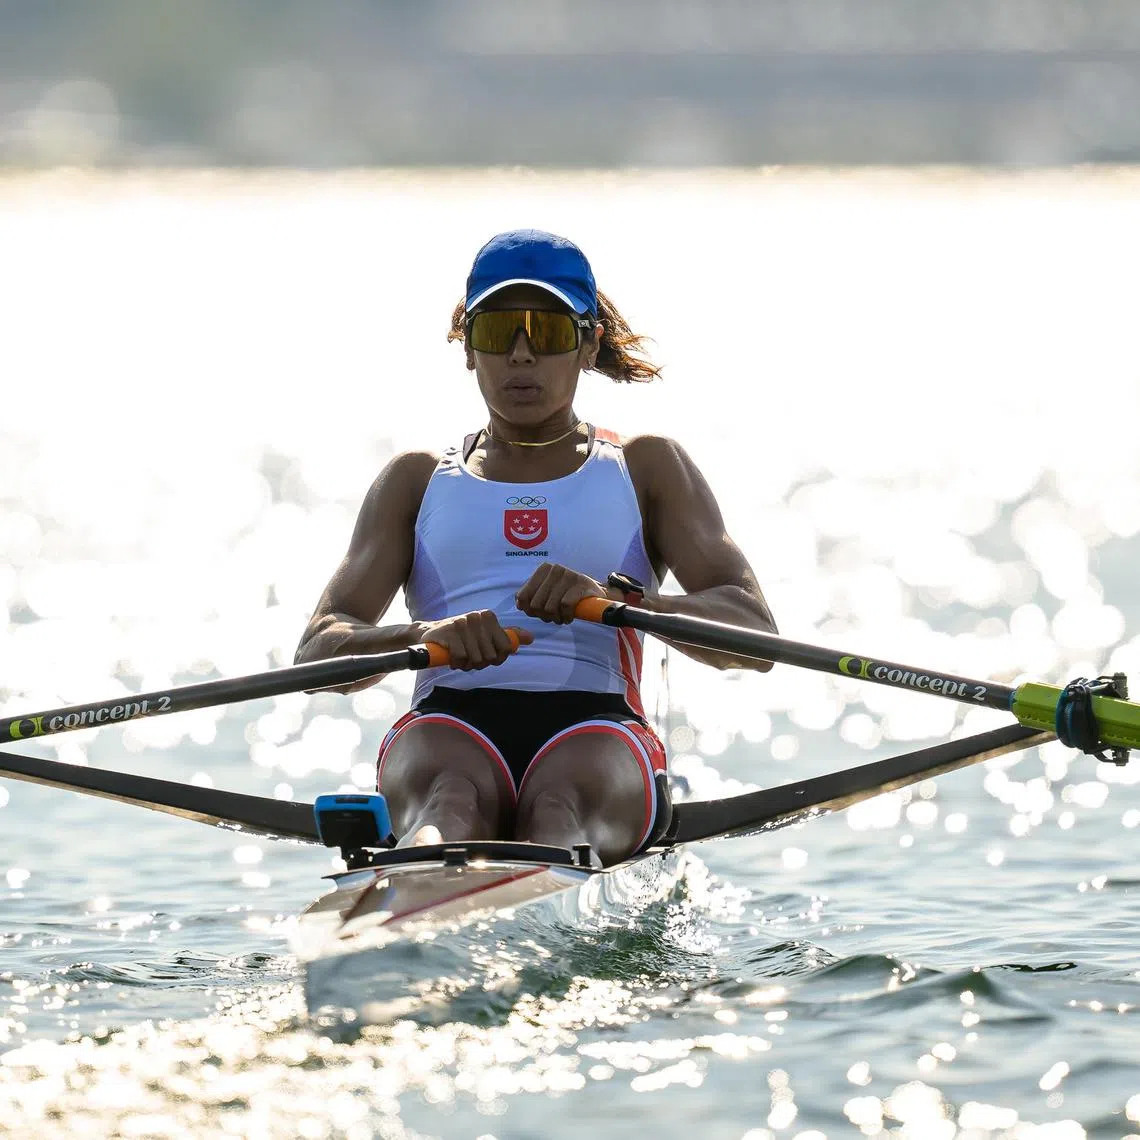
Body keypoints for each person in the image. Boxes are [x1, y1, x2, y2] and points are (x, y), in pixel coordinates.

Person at [295, 229, 777, 866]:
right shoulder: (414, 480)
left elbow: (754, 636)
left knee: (556, 806)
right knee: (450, 802)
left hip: (598, 724)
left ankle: (468, 889)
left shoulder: (647, 466)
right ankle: (423, 887)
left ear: (587, 345)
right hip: (448, 719)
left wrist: (615, 603)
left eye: (546, 332)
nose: (520, 356)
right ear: (469, 348)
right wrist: (424, 635)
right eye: (497, 332)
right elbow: (317, 652)